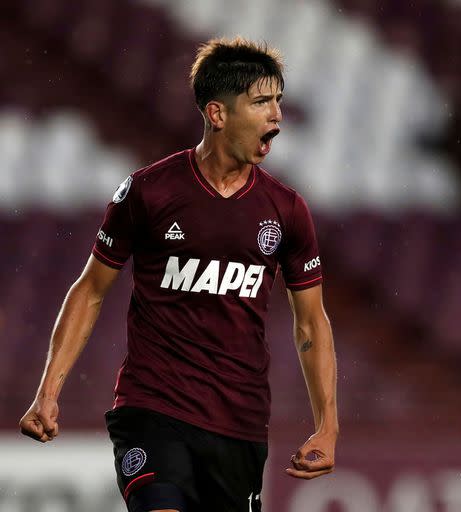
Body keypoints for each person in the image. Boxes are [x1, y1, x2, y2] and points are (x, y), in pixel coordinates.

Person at [19, 37, 338, 512]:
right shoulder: (149, 192)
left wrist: (328, 426)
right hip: (153, 410)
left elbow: (311, 323)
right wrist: (48, 393)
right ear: (217, 114)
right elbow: (90, 290)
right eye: (261, 102)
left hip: (240, 424)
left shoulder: (287, 210)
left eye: (278, 101)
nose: (277, 116)